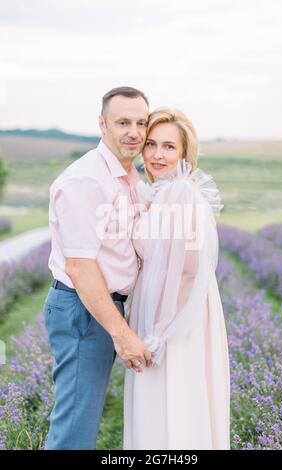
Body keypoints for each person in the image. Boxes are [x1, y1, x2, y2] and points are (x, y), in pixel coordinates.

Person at [43, 86, 152, 450]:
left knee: (82, 419)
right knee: (75, 429)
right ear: (102, 124)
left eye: (141, 122)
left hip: (102, 307)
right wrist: (122, 335)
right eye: (123, 122)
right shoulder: (87, 181)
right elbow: (80, 266)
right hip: (84, 309)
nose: (134, 132)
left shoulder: (127, 178)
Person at [123, 108, 231, 450]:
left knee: (174, 402)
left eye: (169, 146)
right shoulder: (158, 194)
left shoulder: (181, 194)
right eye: (151, 144)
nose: (157, 154)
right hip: (158, 307)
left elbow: (187, 270)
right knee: (161, 404)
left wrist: (159, 331)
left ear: (184, 153)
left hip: (175, 317)